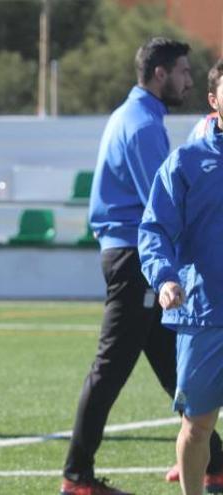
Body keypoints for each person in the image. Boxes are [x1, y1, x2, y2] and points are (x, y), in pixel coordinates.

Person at [60, 37, 223, 495]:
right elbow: (168, 207)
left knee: (171, 355)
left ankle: (212, 462)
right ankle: (77, 476)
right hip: (138, 256)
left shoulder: (132, 115)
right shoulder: (145, 127)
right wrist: (171, 272)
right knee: (111, 366)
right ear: (160, 74)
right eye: (184, 73)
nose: (189, 80)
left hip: (133, 255)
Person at [139, 58, 223, 495]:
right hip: (205, 315)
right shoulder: (187, 162)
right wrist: (165, 277)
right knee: (197, 426)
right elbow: (154, 227)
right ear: (214, 100)